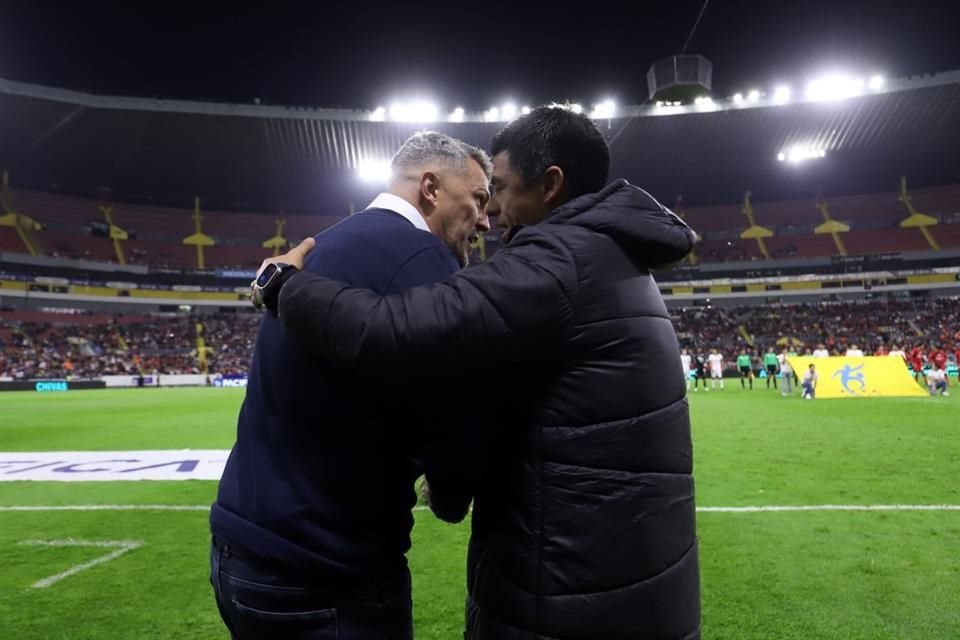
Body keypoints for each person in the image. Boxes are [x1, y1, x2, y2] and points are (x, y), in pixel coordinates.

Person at [261, 106, 701, 639]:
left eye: (504, 188)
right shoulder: (616, 254)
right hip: (630, 574)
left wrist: (283, 284)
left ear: (551, 185)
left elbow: (391, 329)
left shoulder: (557, 259)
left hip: (568, 585)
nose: (493, 211)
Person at [209, 132, 492, 640]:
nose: (486, 220)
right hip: (324, 571)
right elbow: (453, 417)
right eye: (478, 199)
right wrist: (450, 493)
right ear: (431, 187)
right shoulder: (424, 263)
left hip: (239, 551)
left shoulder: (321, 246)